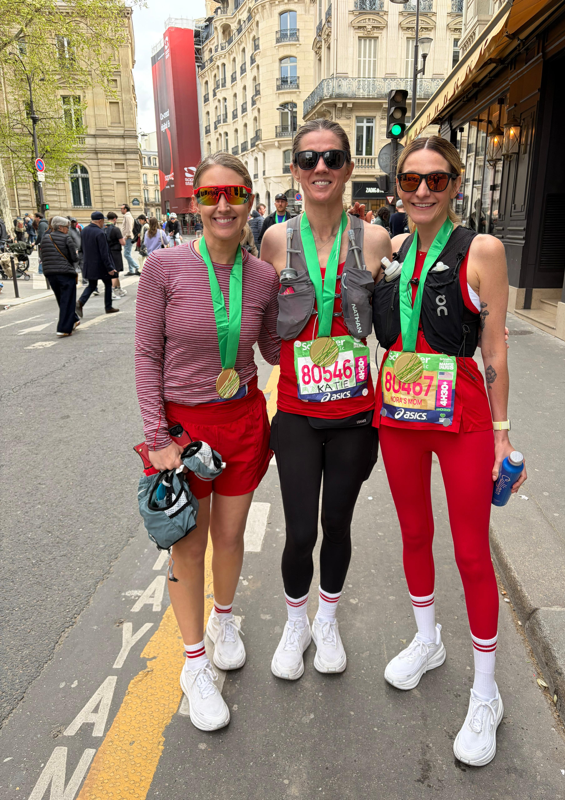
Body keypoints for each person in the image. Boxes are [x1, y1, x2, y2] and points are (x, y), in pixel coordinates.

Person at [374, 135, 526, 767]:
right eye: (411, 181)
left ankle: (486, 691)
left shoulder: (481, 250)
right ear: (398, 190)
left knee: (470, 550)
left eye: (437, 180)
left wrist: (503, 433)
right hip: (400, 411)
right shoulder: (395, 251)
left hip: (460, 410)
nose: (423, 191)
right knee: (413, 533)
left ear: (456, 185)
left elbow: (495, 351)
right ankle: (428, 640)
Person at [135, 153, 280, 732]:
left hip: (243, 420)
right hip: (183, 432)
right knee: (188, 547)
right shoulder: (163, 268)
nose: (224, 205)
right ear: (196, 203)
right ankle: (193, 664)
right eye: (211, 195)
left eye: (235, 193)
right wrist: (157, 438)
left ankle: (224, 619)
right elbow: (146, 356)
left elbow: (272, 347)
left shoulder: (264, 276)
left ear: (250, 200)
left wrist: (332, 326)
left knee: (230, 535)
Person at [260, 119, 391, 680]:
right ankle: (296, 622)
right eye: (309, 159)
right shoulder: (274, 240)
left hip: (354, 415)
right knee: (299, 531)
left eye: (332, 158)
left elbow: (395, 323)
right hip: (294, 411)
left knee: (337, 524)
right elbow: (258, 323)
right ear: (295, 169)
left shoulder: (377, 240)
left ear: (349, 169)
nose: (320, 168)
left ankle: (328, 619)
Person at [39, 216, 80, 337]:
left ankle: (73, 319)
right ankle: (64, 328)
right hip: (65, 272)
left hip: (50, 274)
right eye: (66, 227)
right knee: (68, 299)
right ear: (60, 227)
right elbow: (74, 257)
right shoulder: (66, 238)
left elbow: (43, 256)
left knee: (61, 298)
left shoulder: (45, 238)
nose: (68, 229)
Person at [76, 212, 119, 317]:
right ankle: (108, 307)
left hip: (88, 263)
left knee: (92, 285)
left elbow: (81, 248)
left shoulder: (84, 231)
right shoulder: (100, 233)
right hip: (101, 265)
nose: (103, 223)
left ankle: (80, 302)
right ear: (100, 220)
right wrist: (110, 267)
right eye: (103, 221)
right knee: (108, 284)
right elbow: (104, 252)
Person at [105, 211, 127, 299]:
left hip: (107, 251)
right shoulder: (115, 229)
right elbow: (123, 242)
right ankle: (113, 290)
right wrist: (124, 239)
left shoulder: (103, 228)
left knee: (114, 271)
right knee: (115, 271)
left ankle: (118, 288)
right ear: (115, 219)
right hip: (115, 251)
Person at [120, 203, 140, 275]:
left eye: (122, 208)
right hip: (127, 237)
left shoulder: (128, 217)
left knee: (126, 254)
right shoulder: (126, 216)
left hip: (128, 238)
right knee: (128, 253)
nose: (121, 210)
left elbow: (129, 228)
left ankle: (138, 267)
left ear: (125, 209)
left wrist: (126, 237)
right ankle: (131, 270)